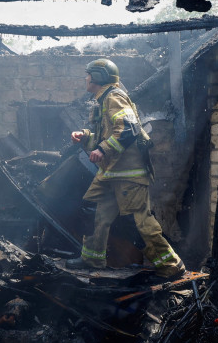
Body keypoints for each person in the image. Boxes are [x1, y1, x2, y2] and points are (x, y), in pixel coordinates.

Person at [65, 58, 186, 279]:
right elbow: (108, 136)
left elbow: (129, 129)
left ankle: (171, 265)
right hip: (111, 173)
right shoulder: (103, 100)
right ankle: (92, 257)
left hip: (128, 175)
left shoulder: (114, 96)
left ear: (99, 77)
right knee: (94, 212)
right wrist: (86, 137)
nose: (86, 78)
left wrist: (102, 149)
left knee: (141, 221)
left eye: (88, 74)